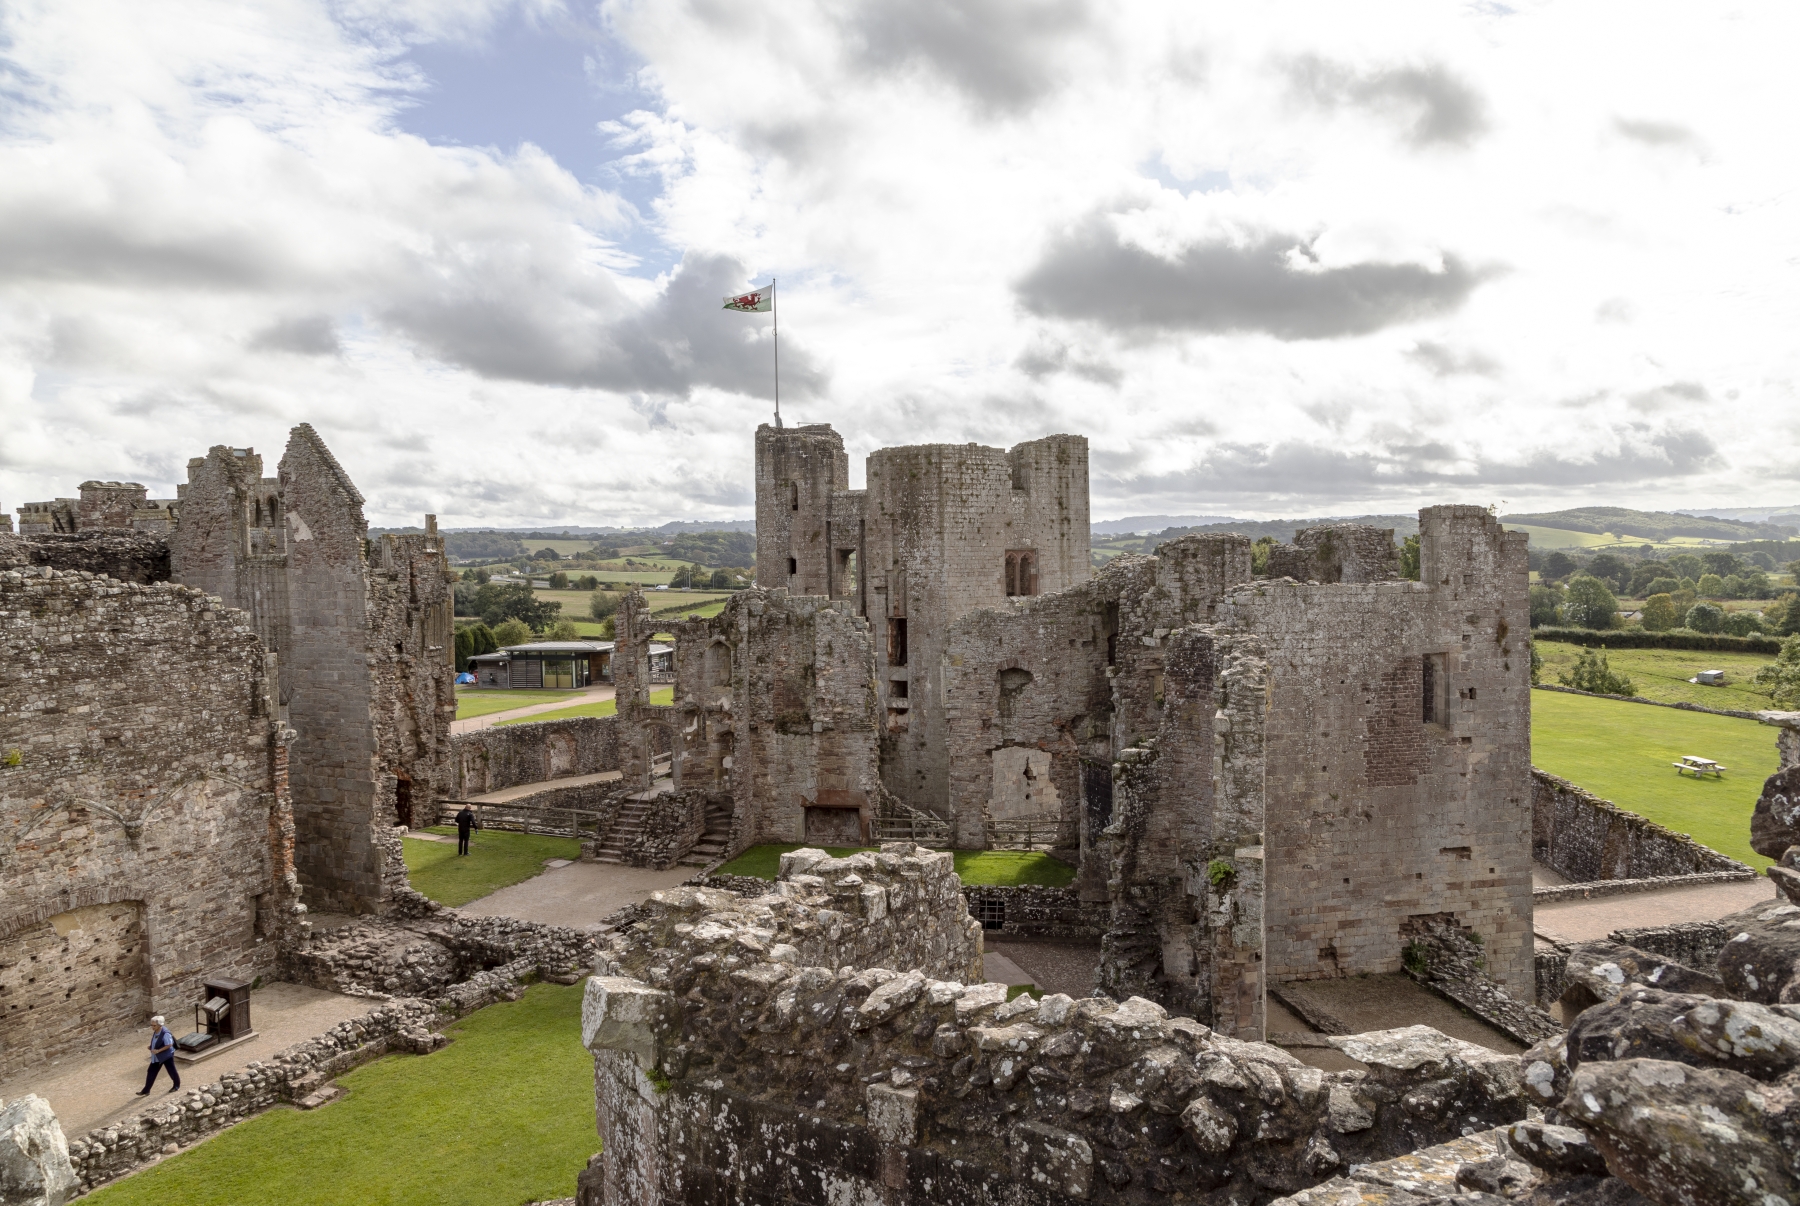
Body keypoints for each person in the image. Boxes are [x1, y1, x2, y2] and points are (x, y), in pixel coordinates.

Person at [136, 1015, 180, 1095]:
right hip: (156, 1056)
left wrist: (158, 1050)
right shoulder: (156, 1031)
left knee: (171, 1071)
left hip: (166, 1056)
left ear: (160, 1025)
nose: (152, 1027)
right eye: (152, 1025)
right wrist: (151, 1047)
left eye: (154, 1025)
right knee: (151, 1071)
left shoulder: (165, 1033)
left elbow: (169, 1044)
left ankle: (176, 1085)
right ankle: (146, 1090)